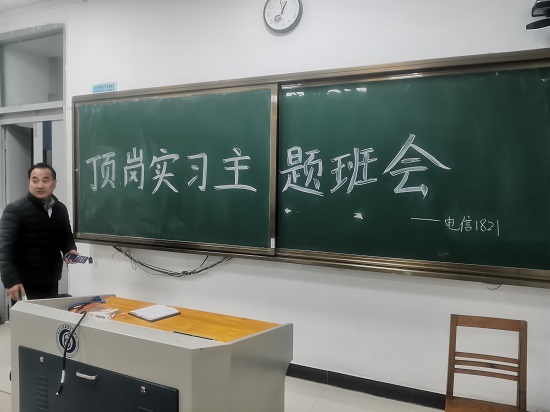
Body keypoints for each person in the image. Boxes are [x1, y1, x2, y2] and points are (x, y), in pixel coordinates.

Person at [0, 163, 79, 302]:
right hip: (24, 282)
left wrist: (70, 249)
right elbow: (4, 249)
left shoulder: (60, 209)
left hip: (51, 279)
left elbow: (66, 235)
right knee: (26, 316)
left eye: (45, 180)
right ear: (29, 182)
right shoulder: (15, 209)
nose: (40, 185)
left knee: (48, 314)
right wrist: (11, 281)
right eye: (35, 180)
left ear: (54, 183)